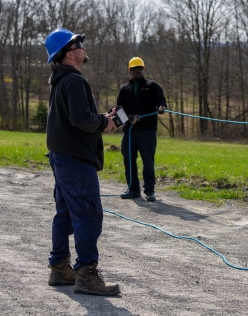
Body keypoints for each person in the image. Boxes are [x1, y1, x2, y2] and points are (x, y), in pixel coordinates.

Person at [44, 27, 120, 296]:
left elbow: (75, 117)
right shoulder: (75, 81)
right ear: (68, 53)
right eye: (78, 43)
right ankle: (86, 274)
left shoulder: (59, 79)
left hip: (61, 157)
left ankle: (59, 268)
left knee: (65, 214)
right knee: (88, 214)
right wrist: (105, 122)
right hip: (75, 161)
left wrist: (100, 118)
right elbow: (81, 120)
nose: (83, 46)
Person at [116, 57, 167, 202]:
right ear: (130, 71)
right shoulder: (124, 89)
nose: (138, 71)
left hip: (147, 131)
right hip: (129, 131)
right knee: (129, 160)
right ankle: (133, 189)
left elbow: (160, 100)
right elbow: (118, 111)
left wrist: (161, 106)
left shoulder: (152, 85)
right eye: (135, 69)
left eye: (141, 68)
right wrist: (130, 117)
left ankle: (149, 191)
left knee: (148, 162)